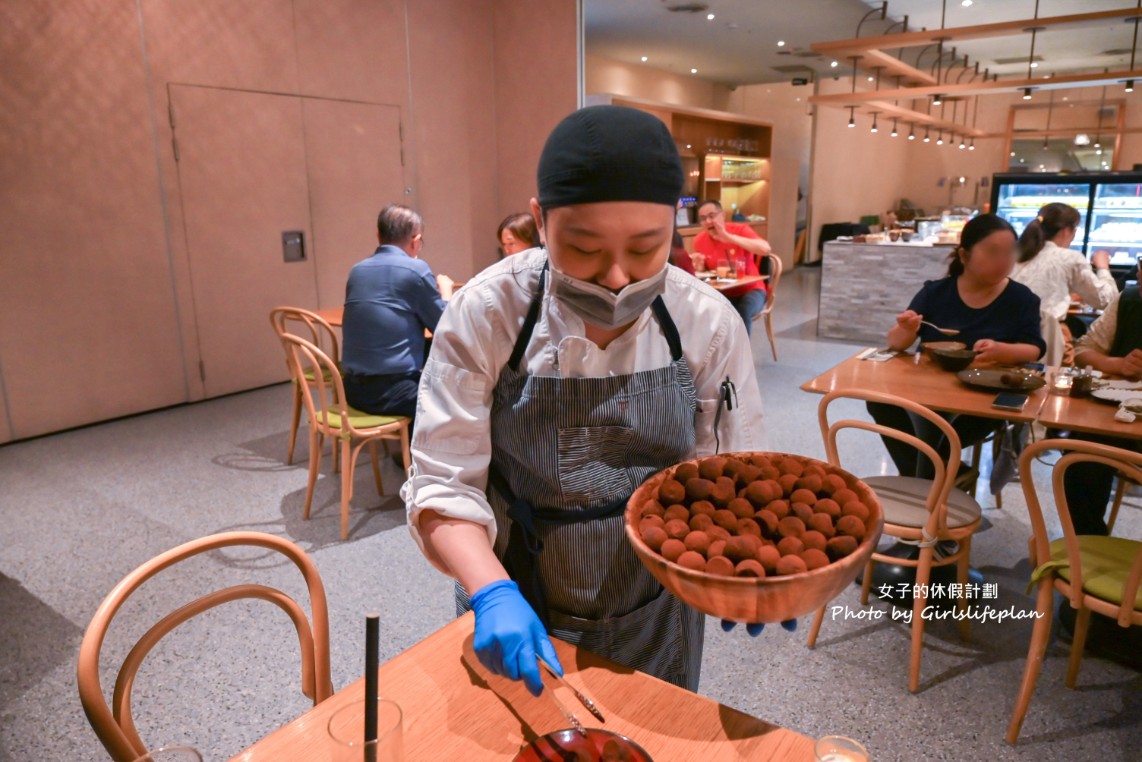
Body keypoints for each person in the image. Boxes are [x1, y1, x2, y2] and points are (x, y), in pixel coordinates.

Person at [402, 105, 786, 699]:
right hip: (513, 586)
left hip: (655, 600)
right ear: (540, 221)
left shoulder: (704, 321)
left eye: (644, 249)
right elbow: (442, 481)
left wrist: (746, 554)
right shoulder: (487, 312)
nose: (614, 277)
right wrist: (492, 592)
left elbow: (731, 469)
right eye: (582, 248)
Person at [869, 214, 1046, 479]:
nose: (1004, 261)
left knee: (934, 435)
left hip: (985, 396)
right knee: (879, 402)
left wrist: (1002, 350)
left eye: (1010, 252)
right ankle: (944, 474)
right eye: (993, 252)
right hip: (929, 390)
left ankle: (926, 478)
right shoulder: (936, 293)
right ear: (964, 256)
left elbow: (1034, 348)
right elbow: (895, 344)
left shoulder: (1021, 299)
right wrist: (906, 329)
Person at [341, 204, 453, 422]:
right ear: (415, 240)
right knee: (464, 393)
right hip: (395, 393)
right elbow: (444, 328)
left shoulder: (357, 270)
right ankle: (421, 454)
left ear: (378, 235)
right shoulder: (415, 270)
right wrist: (446, 292)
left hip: (352, 390)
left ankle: (406, 450)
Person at [1061, 262, 1142, 535]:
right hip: (1120, 419)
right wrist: (1118, 364)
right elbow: (1084, 350)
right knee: (1079, 455)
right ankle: (1088, 545)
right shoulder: (1130, 299)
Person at [1012, 202, 1116, 365]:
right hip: (1047, 338)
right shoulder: (1069, 257)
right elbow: (1106, 300)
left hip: (1007, 336)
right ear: (1067, 230)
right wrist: (1103, 267)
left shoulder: (1015, 253)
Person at [690, 199, 771, 334]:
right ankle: (716, 353)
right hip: (723, 292)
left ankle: (741, 354)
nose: (708, 221)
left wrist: (729, 237)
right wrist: (699, 267)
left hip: (752, 290)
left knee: (741, 312)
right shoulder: (699, 240)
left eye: (712, 216)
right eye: (703, 218)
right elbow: (707, 273)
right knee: (701, 312)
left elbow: (765, 249)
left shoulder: (740, 229)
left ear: (722, 216)